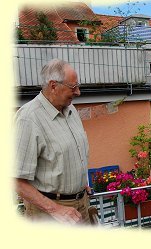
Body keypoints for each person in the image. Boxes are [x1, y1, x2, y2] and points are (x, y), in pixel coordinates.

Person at [15, 59, 95, 225]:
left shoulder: (70, 109)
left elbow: (70, 155)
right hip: (51, 213)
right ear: (53, 86)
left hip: (81, 204)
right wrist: (55, 209)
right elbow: (16, 181)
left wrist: (80, 185)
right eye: (73, 87)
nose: (78, 92)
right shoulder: (29, 118)